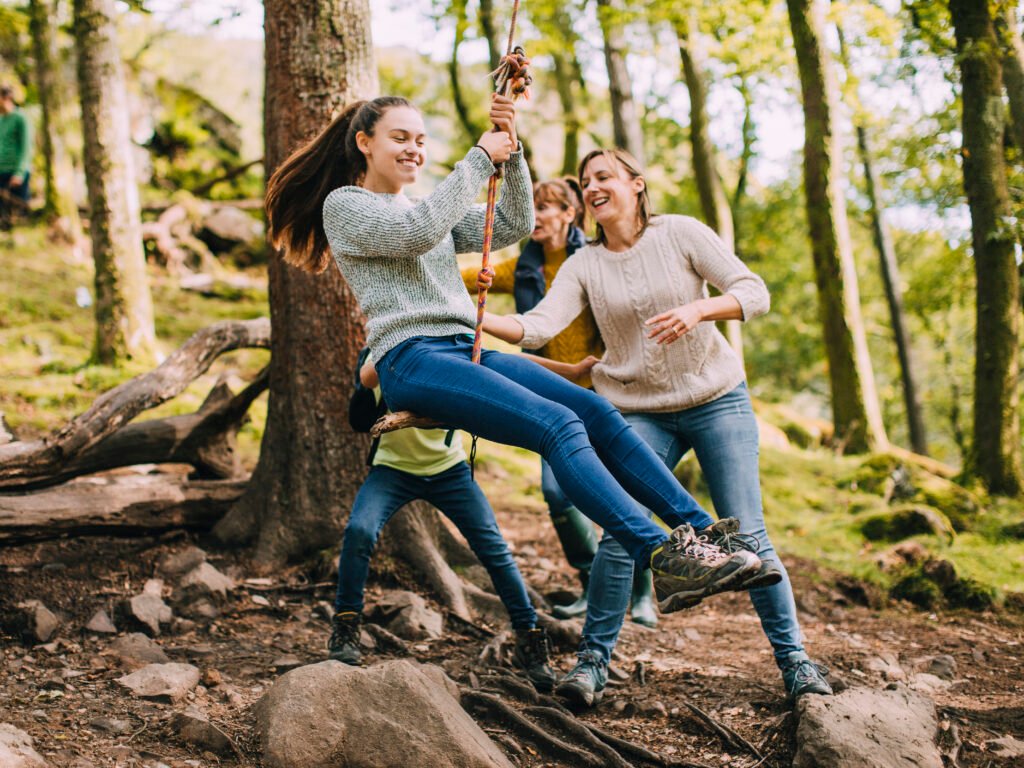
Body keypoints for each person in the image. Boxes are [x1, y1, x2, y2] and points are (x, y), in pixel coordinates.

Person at [263, 94, 765, 644]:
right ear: (364, 143)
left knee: (593, 411)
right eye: (400, 138)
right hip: (413, 356)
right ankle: (660, 556)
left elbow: (513, 222)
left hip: (467, 349)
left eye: (421, 140)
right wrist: (480, 157)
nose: (414, 149)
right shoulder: (347, 206)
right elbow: (415, 234)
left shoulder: (427, 207)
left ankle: (706, 535)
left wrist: (513, 147)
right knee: (558, 425)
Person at [480, 147, 833, 704]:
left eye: (604, 176)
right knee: (620, 533)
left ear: (636, 184)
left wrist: (699, 310)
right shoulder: (584, 264)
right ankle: (591, 665)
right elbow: (538, 326)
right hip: (638, 409)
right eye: (586, 181)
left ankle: (796, 664)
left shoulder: (681, 233)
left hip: (716, 398)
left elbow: (753, 292)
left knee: (747, 532)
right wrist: (476, 315)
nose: (593, 187)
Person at [329, 348, 591, 689]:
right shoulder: (380, 352)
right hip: (391, 471)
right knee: (359, 531)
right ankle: (346, 626)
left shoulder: (452, 349)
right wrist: (371, 370)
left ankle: (529, 635)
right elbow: (358, 418)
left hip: (449, 472)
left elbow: (513, 363)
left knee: (493, 548)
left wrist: (572, 370)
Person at [461, 177, 657, 627]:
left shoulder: (593, 260)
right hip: (554, 392)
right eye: (534, 206)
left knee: (622, 488)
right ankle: (592, 581)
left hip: (608, 389)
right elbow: (459, 280)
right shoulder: (523, 267)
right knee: (557, 491)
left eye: (547, 207)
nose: (537, 215)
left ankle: (643, 591)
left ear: (570, 214)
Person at [0, 85, 32, 230]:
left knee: (19, 215)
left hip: (16, 173)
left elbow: (26, 147)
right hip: (1, 171)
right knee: (3, 217)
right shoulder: (1, 120)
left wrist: (19, 173)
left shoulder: (21, 118)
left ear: (6, 98)